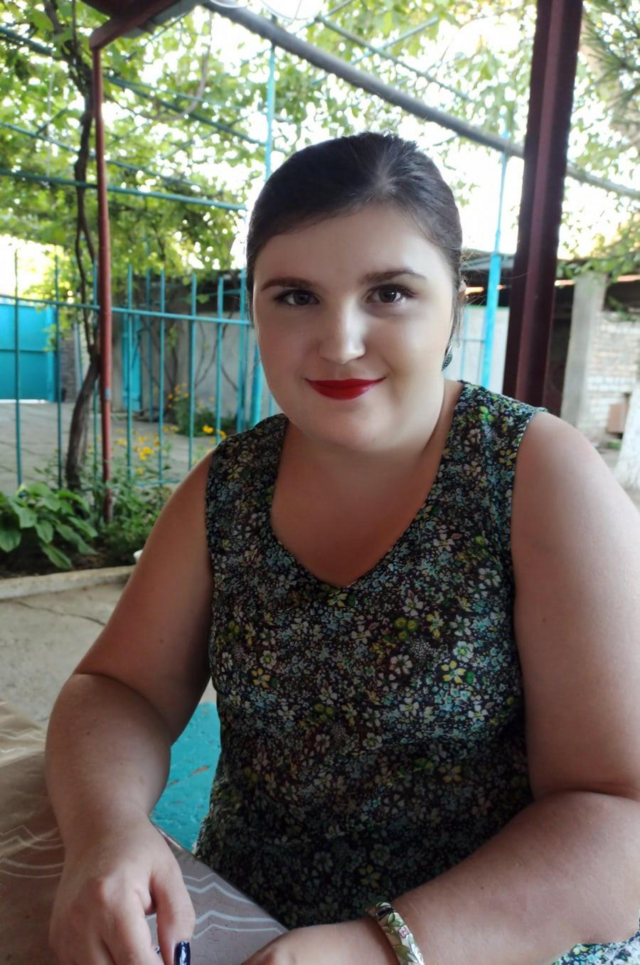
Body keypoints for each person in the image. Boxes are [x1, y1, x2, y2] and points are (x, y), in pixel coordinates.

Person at [45, 132, 640, 965]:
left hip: (493, 942)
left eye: (389, 292)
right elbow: (118, 688)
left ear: (455, 304)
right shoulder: (230, 487)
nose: (339, 340)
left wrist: (380, 948)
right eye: (296, 296)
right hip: (239, 926)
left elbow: (619, 809)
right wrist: (108, 829)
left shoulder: (537, 475)